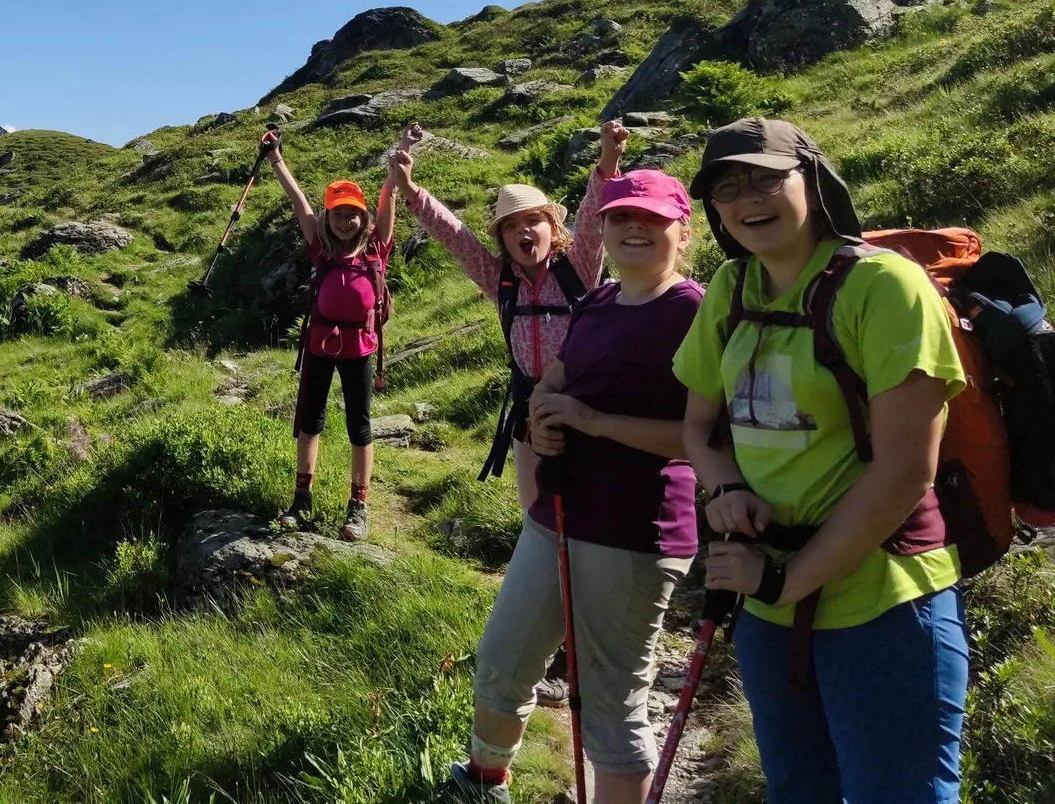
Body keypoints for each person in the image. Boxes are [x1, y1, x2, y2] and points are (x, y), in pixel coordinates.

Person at [674, 118, 969, 804]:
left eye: (766, 176)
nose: (747, 197)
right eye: (726, 187)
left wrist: (784, 580)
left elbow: (904, 471)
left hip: (885, 603)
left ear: (811, 178)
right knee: (799, 790)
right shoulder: (729, 289)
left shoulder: (885, 287)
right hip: (769, 607)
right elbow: (698, 428)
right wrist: (724, 491)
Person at [447, 159, 704, 803]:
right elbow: (555, 378)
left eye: (652, 218)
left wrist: (590, 421)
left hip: (635, 529)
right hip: (556, 513)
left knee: (612, 703)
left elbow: (704, 438)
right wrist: (544, 413)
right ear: (604, 229)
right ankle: (485, 783)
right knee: (503, 661)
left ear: (685, 230)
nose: (633, 228)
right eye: (620, 216)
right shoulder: (598, 299)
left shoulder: (693, 312)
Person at [395, 121, 616, 516]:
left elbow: (591, 221)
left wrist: (608, 160)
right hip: (528, 405)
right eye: (511, 226)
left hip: (584, 402)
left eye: (533, 220)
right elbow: (456, 236)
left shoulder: (578, 267)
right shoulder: (500, 281)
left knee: (592, 510)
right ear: (502, 240)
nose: (523, 231)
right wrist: (410, 190)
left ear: (553, 227)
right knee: (535, 513)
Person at [264, 134, 395, 541]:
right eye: (337, 212)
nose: (344, 220)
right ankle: (302, 499)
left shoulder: (376, 248)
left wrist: (401, 159)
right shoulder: (319, 248)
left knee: (360, 426)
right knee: (310, 421)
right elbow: (298, 203)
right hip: (319, 345)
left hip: (360, 347)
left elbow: (389, 197)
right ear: (328, 217)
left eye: (352, 213)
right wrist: (276, 161)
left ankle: (359, 507)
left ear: (363, 218)